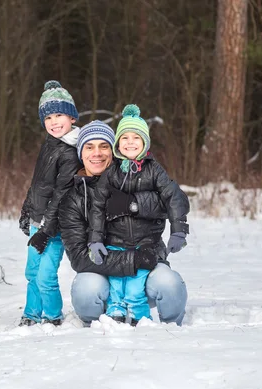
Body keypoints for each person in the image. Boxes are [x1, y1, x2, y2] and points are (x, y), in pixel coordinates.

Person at [59, 118, 188, 326]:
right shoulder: (72, 199)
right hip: (105, 270)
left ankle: (171, 327)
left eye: (104, 146)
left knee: (169, 283)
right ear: (80, 153)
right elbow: (80, 257)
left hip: (148, 260)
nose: (97, 153)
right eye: (89, 147)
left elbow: (177, 200)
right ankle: (102, 321)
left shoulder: (140, 174)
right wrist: (135, 260)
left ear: (114, 150)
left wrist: (133, 204)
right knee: (86, 289)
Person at [18, 80, 82, 327]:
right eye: (48, 118)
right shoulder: (50, 144)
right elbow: (38, 184)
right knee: (31, 273)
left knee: (45, 276)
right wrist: (27, 211)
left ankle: (53, 316)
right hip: (38, 221)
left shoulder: (70, 150)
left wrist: (46, 229)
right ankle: (31, 313)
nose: (54, 122)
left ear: (72, 118)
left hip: (54, 227)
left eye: (59, 115)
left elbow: (61, 194)